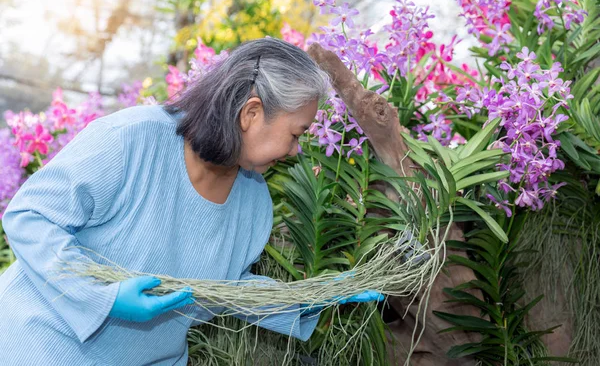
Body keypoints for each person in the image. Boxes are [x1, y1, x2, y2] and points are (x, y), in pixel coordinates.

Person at [0, 38, 383, 365]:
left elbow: (226, 289)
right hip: (40, 345)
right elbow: (30, 216)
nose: (296, 151)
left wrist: (309, 299)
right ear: (251, 112)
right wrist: (101, 297)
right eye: (296, 133)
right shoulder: (130, 140)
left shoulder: (253, 202)